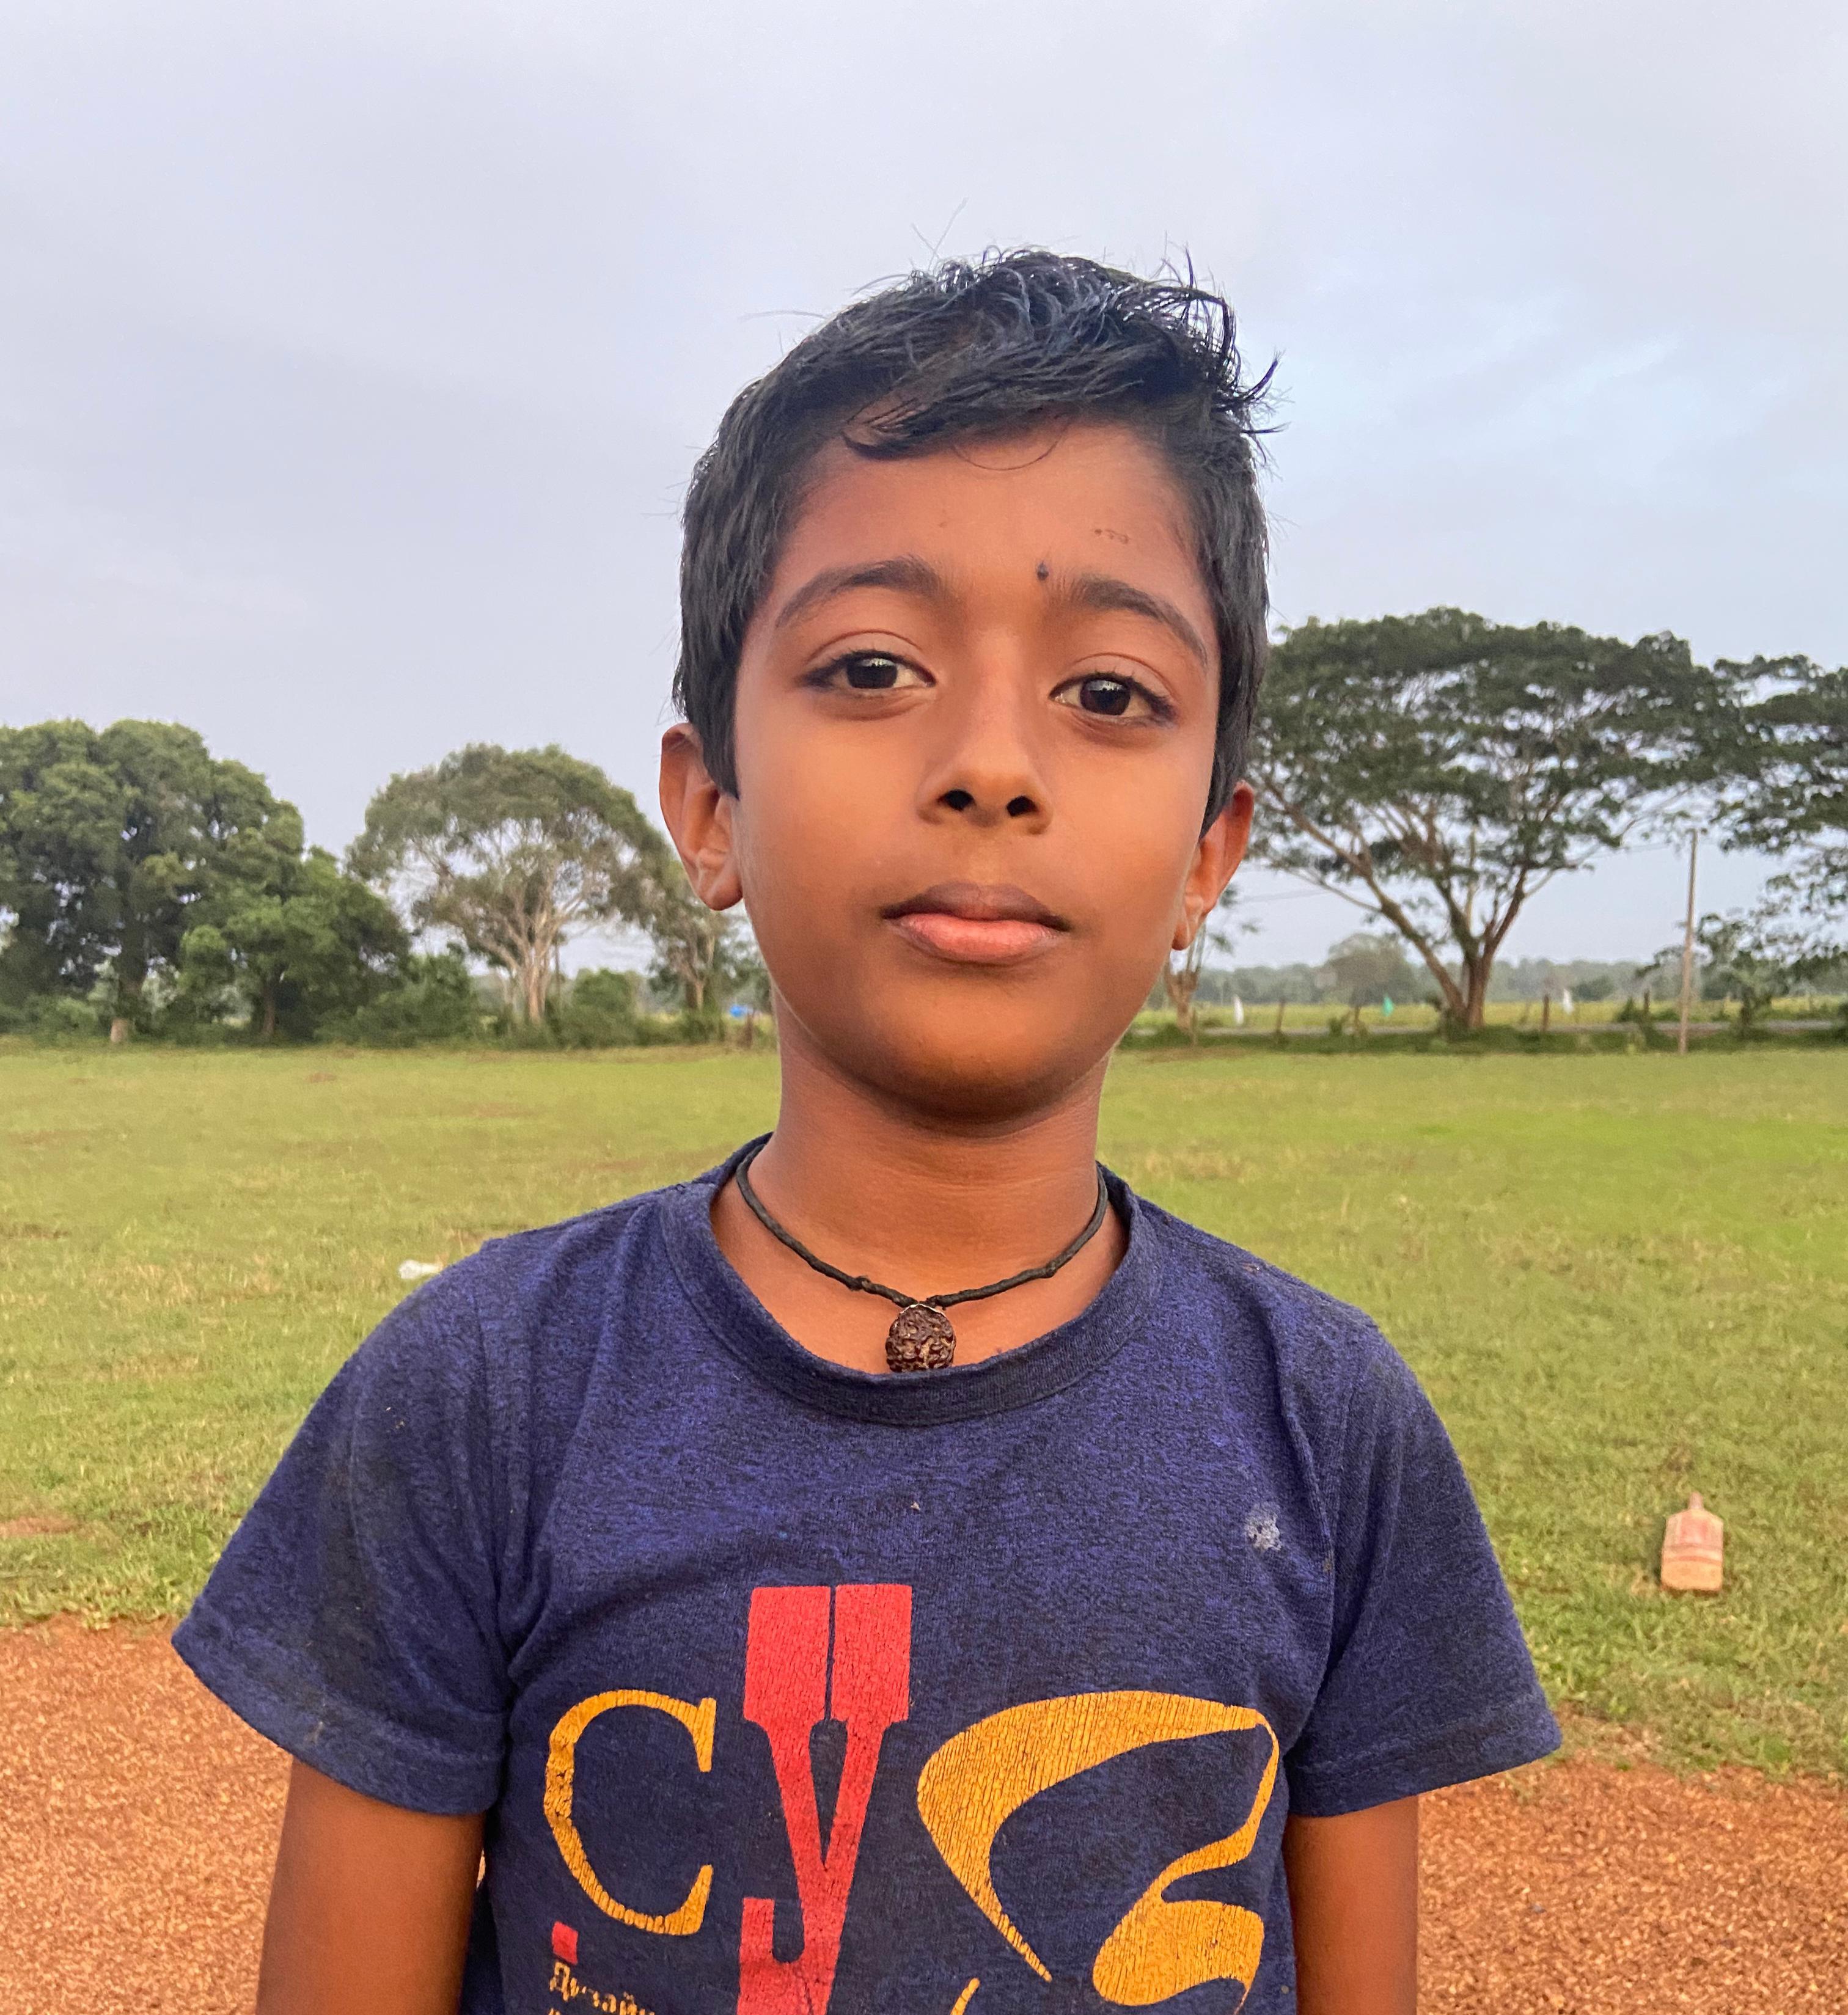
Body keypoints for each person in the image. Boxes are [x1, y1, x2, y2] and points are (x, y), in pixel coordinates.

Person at [175, 251, 1558, 2015]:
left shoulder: (1325, 1424)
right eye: (875, 663)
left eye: (1111, 692)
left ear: (1212, 847)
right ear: (711, 805)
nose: (994, 762)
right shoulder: (484, 1395)